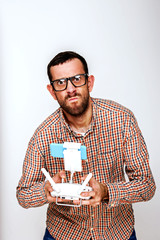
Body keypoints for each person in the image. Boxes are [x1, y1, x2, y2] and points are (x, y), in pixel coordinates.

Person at [16, 51, 156, 240]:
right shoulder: (43, 135)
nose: (70, 88)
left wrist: (106, 192)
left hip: (116, 232)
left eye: (76, 79)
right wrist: (45, 190)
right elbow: (23, 195)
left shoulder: (122, 120)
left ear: (89, 82)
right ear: (52, 91)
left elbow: (146, 186)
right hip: (64, 233)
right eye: (61, 82)